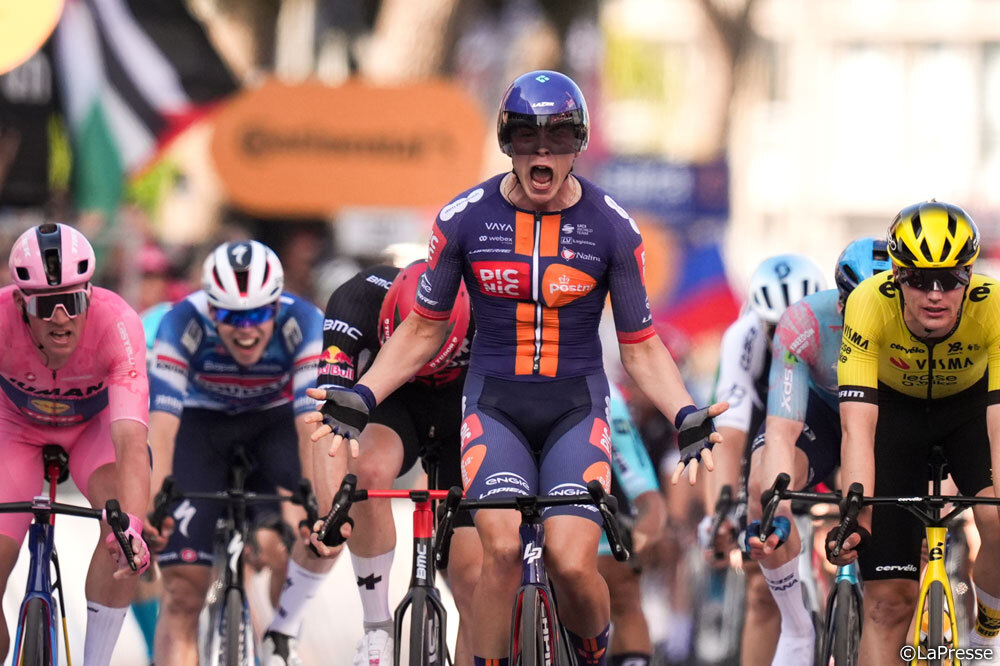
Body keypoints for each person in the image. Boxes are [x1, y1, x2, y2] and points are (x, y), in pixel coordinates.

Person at [305, 69, 724, 666]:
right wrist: (363, 396)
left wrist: (684, 412)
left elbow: (641, 346)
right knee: (498, 555)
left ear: (578, 144)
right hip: (493, 406)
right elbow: (423, 329)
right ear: (507, 142)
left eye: (558, 137)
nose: (542, 151)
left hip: (574, 407)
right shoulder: (464, 218)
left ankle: (592, 653)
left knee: (572, 563)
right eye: (527, 136)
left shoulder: (611, 225)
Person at [146, 240, 346, 666]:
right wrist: (152, 503)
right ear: (210, 308)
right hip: (200, 425)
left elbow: (308, 423)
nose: (246, 329)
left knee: (304, 535)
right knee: (182, 592)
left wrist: (317, 504)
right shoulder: (181, 321)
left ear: (276, 306)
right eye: (231, 316)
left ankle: (283, 632)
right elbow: (161, 428)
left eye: (257, 315)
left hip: (273, 424)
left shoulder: (305, 320)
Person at [834, 201, 1000, 662]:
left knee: (997, 521)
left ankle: (987, 635)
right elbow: (857, 427)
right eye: (919, 279)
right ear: (896, 275)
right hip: (896, 415)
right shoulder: (868, 303)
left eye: (950, 279)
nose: (935, 294)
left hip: (969, 412)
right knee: (888, 604)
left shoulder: (994, 306)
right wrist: (855, 514)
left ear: (969, 275)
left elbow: (999, 424)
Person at [309, 259, 478, 666]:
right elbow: (328, 420)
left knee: (473, 583)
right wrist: (331, 512)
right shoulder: (355, 301)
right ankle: (377, 628)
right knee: (367, 470)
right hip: (392, 397)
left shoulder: (486, 305)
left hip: (464, 405)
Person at [0, 222, 150, 665]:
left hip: (93, 430)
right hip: (15, 429)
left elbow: (131, 439)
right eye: (46, 305)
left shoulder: (117, 322)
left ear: (89, 293)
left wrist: (133, 526)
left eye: (73, 301)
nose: (61, 317)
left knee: (121, 534)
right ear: (21, 302)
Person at [743, 238, 891, 664]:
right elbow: (780, 430)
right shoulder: (803, 321)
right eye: (857, 305)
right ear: (840, 301)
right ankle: (796, 626)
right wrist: (775, 505)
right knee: (762, 480)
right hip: (822, 416)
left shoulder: (918, 326)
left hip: (888, 420)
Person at [699, 253, 825, 665]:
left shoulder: (834, 328)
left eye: (795, 322)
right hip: (761, 427)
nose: (786, 334)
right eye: (775, 326)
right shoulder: (744, 335)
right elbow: (729, 435)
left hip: (819, 428)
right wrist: (717, 514)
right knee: (760, 586)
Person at [599, 382, 665, 666]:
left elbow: (640, 481)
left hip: (597, 496)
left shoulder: (608, 395)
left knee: (622, 588)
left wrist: (649, 518)